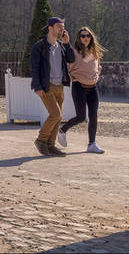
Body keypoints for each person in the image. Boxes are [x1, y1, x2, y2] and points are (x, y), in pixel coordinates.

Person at [29, 16, 75, 156]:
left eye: (63, 27)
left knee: (58, 117)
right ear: (50, 28)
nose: (62, 29)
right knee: (55, 114)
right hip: (46, 85)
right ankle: (41, 140)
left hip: (59, 85)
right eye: (59, 27)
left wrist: (67, 43)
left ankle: (50, 145)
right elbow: (34, 67)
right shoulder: (39, 46)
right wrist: (37, 86)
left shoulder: (61, 46)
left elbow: (72, 59)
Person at [58, 26, 106, 154]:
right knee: (80, 117)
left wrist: (96, 76)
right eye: (83, 36)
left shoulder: (94, 53)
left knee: (94, 116)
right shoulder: (73, 52)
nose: (86, 38)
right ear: (79, 38)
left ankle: (92, 144)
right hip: (79, 87)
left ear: (91, 37)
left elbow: (98, 67)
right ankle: (62, 130)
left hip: (93, 88)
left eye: (88, 36)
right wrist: (65, 41)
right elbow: (67, 64)